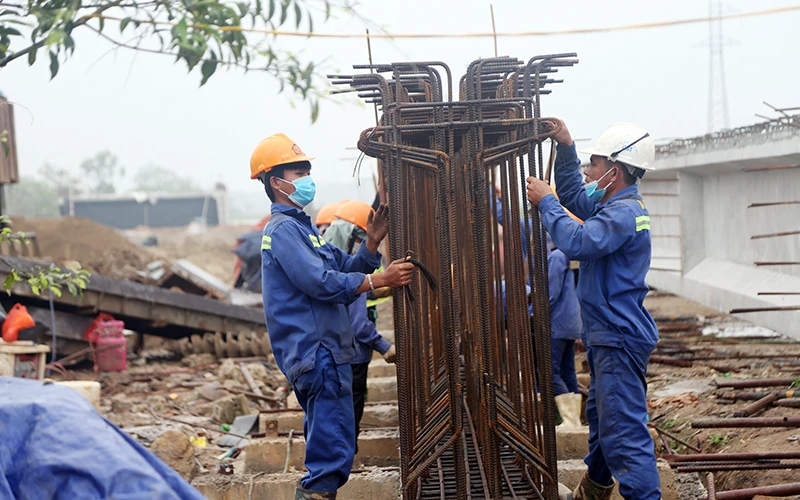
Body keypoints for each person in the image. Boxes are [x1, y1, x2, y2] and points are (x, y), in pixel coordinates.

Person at [250, 133, 414, 499]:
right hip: (317, 351)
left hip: (326, 351)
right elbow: (321, 283)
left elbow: (345, 267)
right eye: (298, 172)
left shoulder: (304, 229)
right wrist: (377, 279)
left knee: (331, 443)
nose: (307, 178)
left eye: (307, 171)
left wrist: (371, 244)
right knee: (332, 452)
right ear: (276, 182)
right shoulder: (283, 231)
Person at [526, 122, 660, 500]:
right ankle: (594, 490)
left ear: (614, 172)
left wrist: (546, 202)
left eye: (593, 163)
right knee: (604, 422)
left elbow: (576, 241)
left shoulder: (621, 215)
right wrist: (566, 148)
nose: (587, 170)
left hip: (617, 337)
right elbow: (572, 195)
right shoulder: (613, 205)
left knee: (625, 434)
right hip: (610, 335)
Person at [324, 199, 397, 453]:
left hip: (345, 352)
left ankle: (342, 453)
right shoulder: (344, 275)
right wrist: (384, 346)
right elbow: (357, 322)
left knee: (341, 409)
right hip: (352, 354)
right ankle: (345, 456)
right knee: (348, 409)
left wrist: (377, 289)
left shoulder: (334, 266)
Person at [546, 233, 583, 428]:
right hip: (571, 322)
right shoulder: (569, 256)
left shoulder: (556, 257)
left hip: (557, 323)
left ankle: (568, 420)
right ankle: (574, 420)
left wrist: (533, 310)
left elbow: (551, 294)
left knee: (549, 370)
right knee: (568, 371)